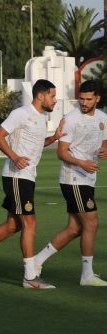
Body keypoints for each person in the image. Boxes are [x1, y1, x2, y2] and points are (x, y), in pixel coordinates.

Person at [0, 79, 64, 288]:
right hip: (16, 176)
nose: (55, 100)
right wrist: (15, 157)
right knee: (30, 223)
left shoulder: (42, 118)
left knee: (13, 225)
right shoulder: (21, 114)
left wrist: (54, 138)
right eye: (52, 96)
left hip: (27, 177)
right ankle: (30, 277)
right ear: (40, 96)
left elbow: (35, 143)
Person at [33, 80, 107, 286]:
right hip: (73, 179)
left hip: (88, 180)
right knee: (91, 223)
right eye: (81, 99)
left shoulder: (103, 118)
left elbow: (104, 140)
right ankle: (87, 275)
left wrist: (105, 149)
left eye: (88, 99)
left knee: (75, 228)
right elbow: (61, 152)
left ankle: (37, 262)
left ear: (97, 99)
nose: (83, 103)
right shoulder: (70, 119)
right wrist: (82, 163)